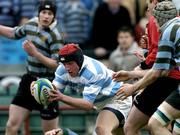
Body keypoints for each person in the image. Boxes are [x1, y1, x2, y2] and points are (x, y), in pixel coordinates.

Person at [113, 1, 180, 135]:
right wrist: (131, 73)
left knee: (151, 125)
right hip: (173, 80)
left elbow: (158, 71)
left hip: (169, 81)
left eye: (153, 19)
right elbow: (164, 68)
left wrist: (133, 87)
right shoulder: (176, 25)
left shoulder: (168, 31)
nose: (153, 24)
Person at [0, 0, 64, 134]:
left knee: (50, 132)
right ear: (39, 13)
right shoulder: (30, 24)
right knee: (11, 125)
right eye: (44, 12)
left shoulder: (55, 36)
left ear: (54, 17)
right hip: (29, 80)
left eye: (50, 13)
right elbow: (13, 33)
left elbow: (56, 65)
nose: (46, 16)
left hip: (48, 84)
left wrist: (35, 53)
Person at [41, 43, 132, 135]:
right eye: (64, 64)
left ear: (79, 60)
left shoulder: (94, 71)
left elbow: (87, 105)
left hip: (118, 98)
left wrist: (62, 97)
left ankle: (66, 133)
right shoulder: (62, 70)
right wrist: (37, 87)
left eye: (70, 63)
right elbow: (53, 93)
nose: (67, 68)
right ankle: (65, 133)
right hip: (102, 104)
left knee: (101, 129)